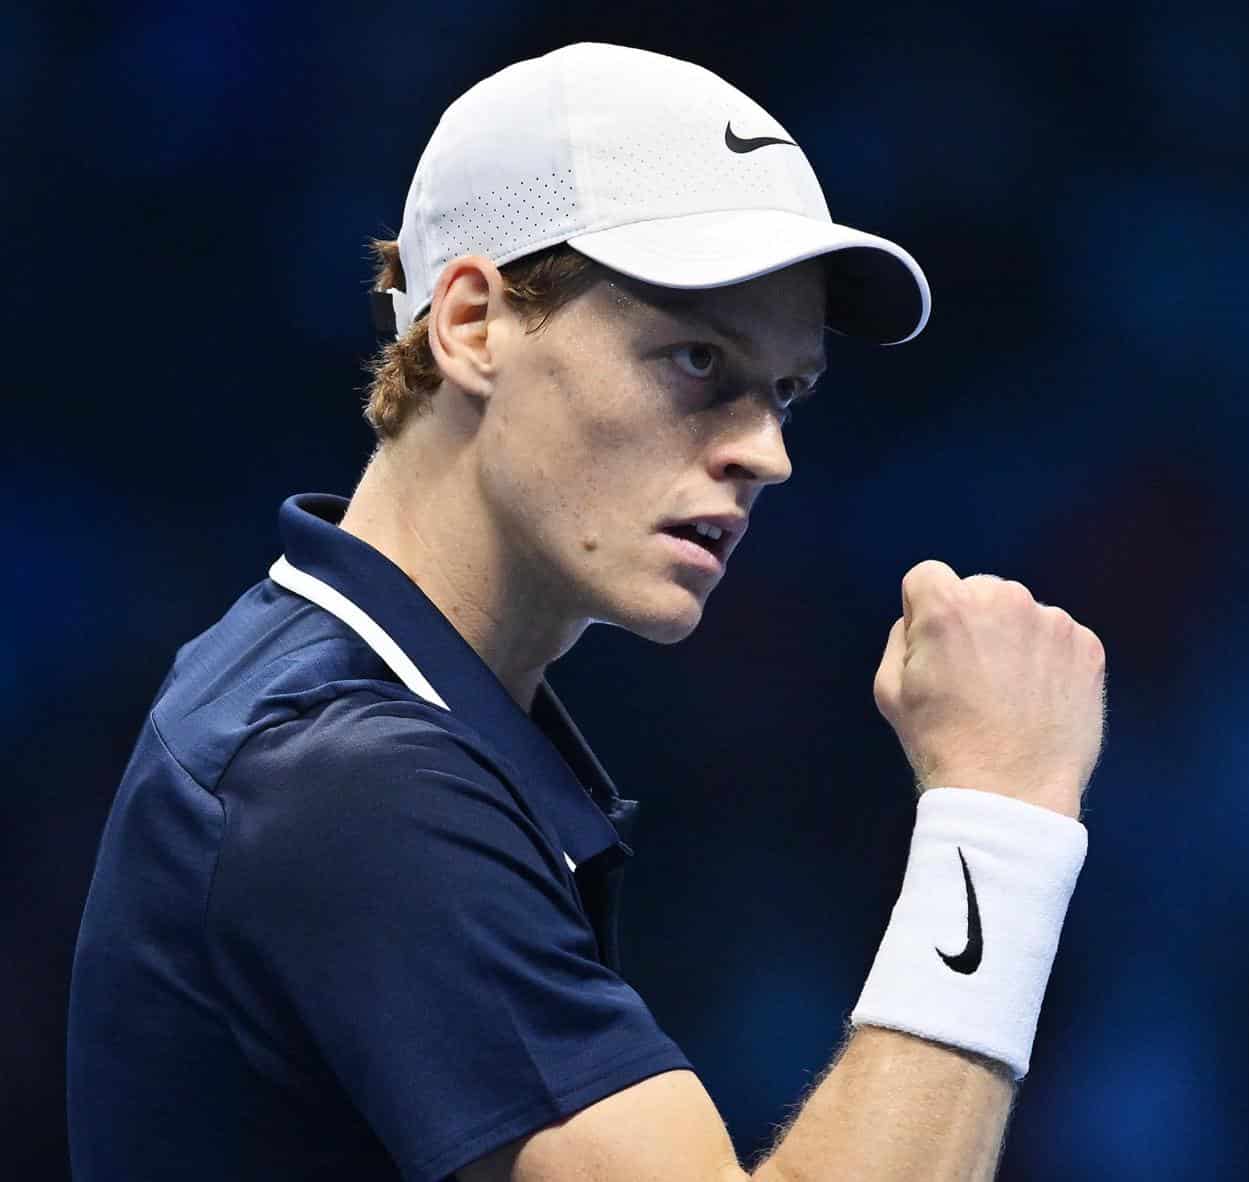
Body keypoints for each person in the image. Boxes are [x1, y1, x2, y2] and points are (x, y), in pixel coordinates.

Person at [66, 41, 1106, 1182]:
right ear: (471, 324)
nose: (766, 454)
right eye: (696, 358)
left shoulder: (305, 689)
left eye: (788, 392)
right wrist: (1000, 814)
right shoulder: (344, 778)